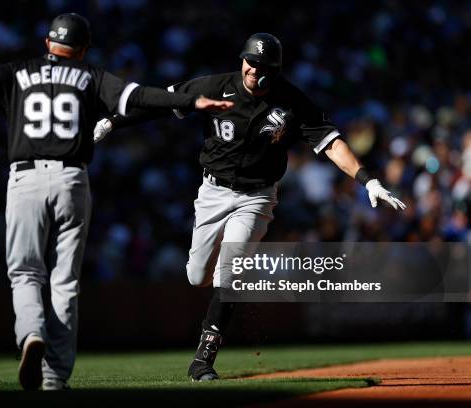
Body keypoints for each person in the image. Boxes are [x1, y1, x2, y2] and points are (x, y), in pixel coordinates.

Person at [0, 13, 233, 391]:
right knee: (65, 281)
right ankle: (54, 376)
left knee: (26, 272)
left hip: (25, 178)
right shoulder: (89, 75)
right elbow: (139, 96)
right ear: (84, 48)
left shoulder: (17, 72)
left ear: (48, 43)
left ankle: (30, 333)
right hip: (72, 179)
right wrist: (191, 102)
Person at [93, 32, 406, 381]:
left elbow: (331, 144)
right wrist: (115, 121)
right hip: (212, 191)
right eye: (250, 62)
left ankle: (203, 359)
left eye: (262, 66)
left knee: (230, 269)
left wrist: (368, 180)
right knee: (196, 275)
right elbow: (163, 102)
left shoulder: (290, 100)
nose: (253, 70)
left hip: (257, 196)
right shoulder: (215, 86)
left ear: (276, 70)